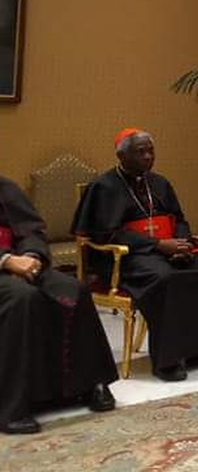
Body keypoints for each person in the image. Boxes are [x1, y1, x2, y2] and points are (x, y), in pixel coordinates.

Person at [71, 128, 198, 382]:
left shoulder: (160, 183)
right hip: (127, 257)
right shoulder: (104, 187)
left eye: (151, 150)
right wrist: (158, 246)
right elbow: (107, 234)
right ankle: (168, 361)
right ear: (122, 155)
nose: (148, 156)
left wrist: (182, 245)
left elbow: (179, 219)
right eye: (141, 152)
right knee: (166, 279)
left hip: (165, 250)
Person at [1, 176, 118, 434]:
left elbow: (32, 230)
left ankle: (91, 383)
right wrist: (6, 260)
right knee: (22, 298)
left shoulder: (6, 187)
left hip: (22, 264)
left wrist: (31, 256)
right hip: (5, 266)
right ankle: (12, 407)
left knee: (74, 289)